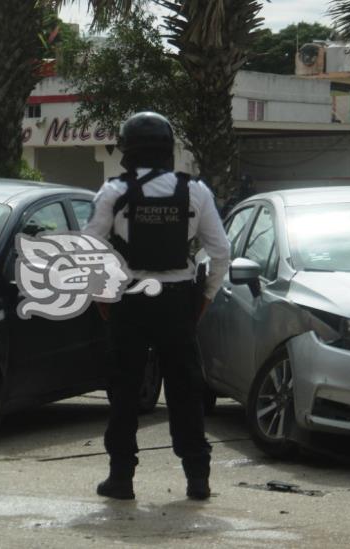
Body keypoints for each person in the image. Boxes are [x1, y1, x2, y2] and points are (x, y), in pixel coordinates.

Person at [84, 112, 231, 501]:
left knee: (124, 390)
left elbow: (90, 248)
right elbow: (221, 252)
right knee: (185, 391)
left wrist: (100, 294)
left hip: (128, 300)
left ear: (127, 151)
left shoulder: (113, 192)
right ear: (168, 150)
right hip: (178, 301)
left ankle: (121, 479)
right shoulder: (195, 191)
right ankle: (197, 480)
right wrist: (205, 297)